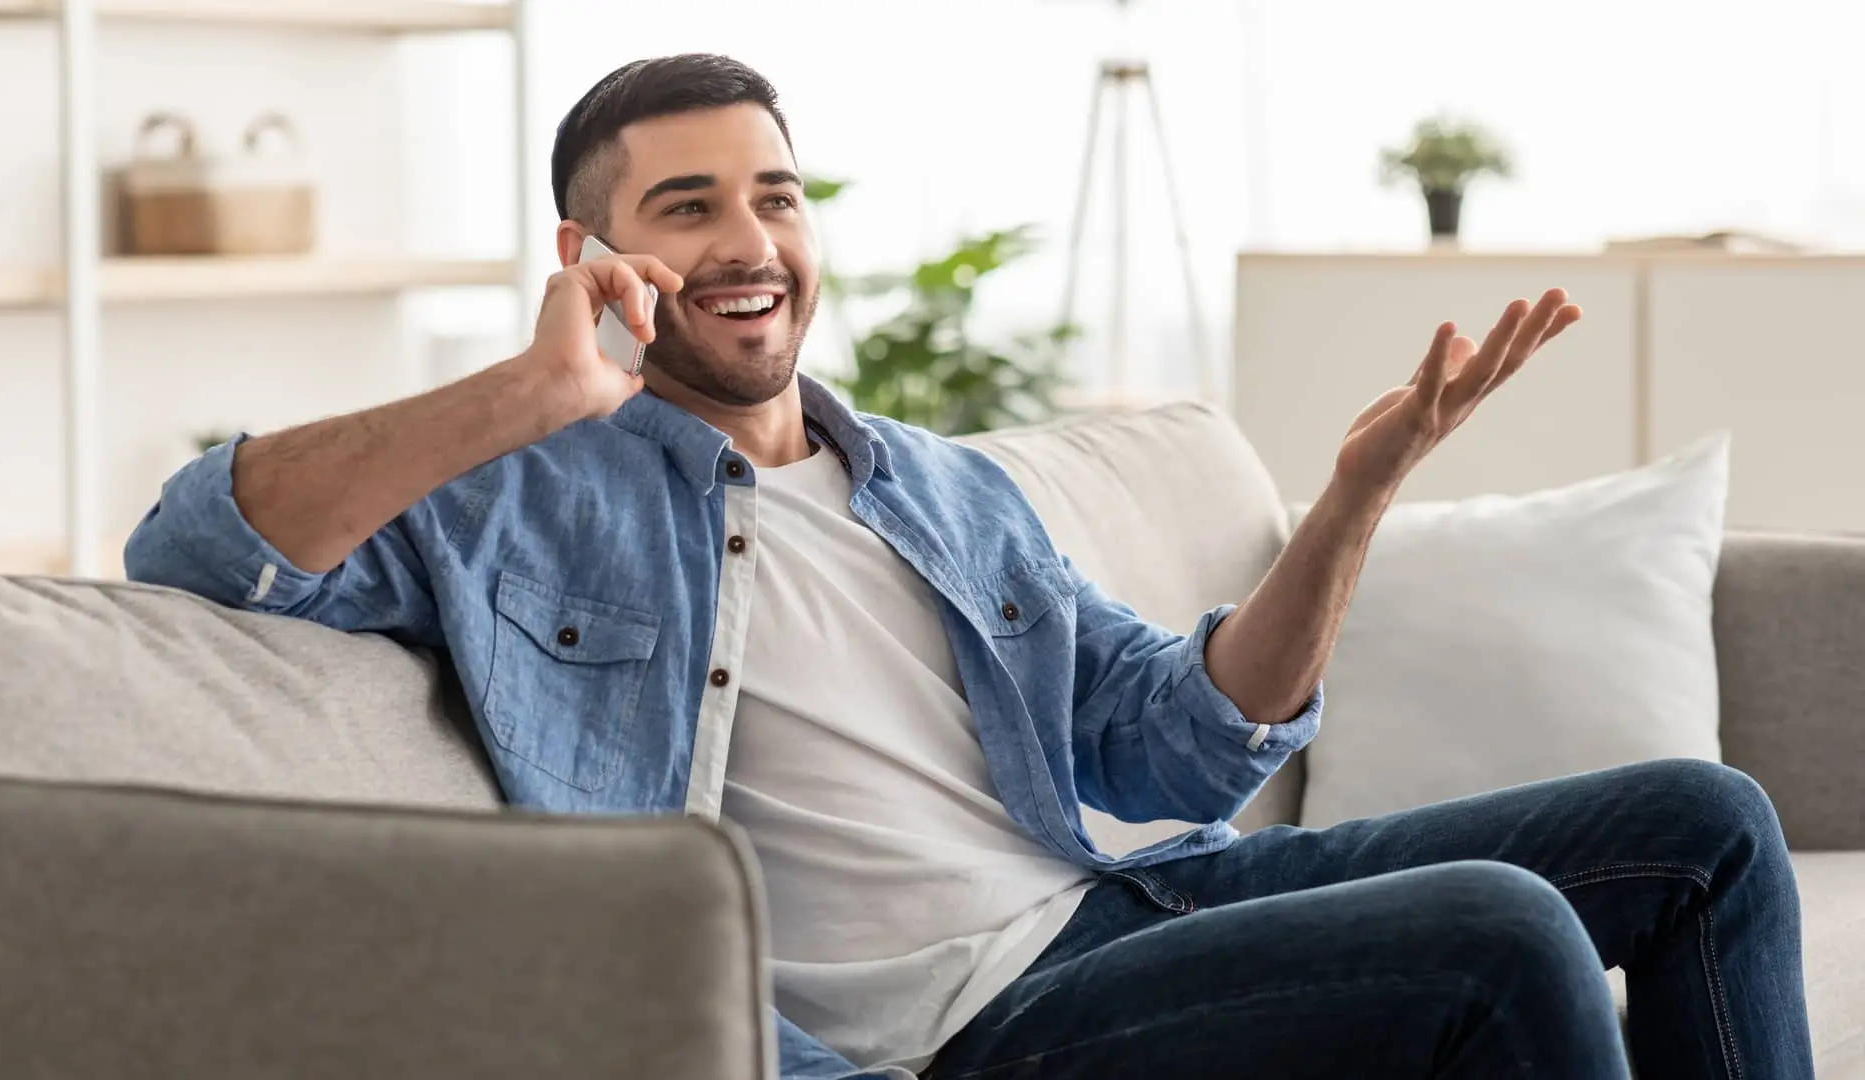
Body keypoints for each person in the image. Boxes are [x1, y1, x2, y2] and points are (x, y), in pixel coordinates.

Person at [123, 53, 1812, 1080]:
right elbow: (195, 544)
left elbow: (1174, 746)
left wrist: (1353, 500)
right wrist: (534, 388)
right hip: (965, 1031)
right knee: (1503, 933)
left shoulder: (934, 486)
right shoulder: (514, 497)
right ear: (592, 255)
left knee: (1706, 827)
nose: (749, 242)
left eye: (776, 197)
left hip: (1126, 911)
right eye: (688, 207)